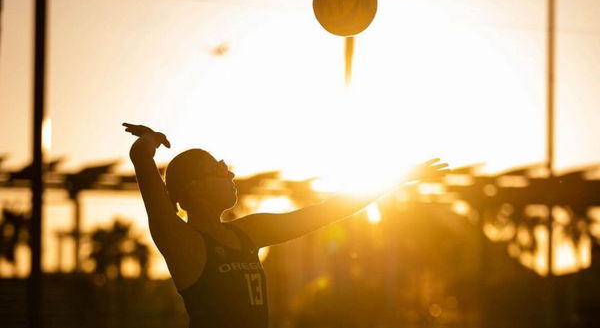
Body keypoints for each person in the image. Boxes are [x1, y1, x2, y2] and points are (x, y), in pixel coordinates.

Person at [123, 122, 449, 328]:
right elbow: (141, 158)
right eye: (219, 169)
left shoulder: (247, 232)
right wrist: (150, 139)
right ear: (194, 187)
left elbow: (327, 212)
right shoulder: (183, 243)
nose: (230, 174)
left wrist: (398, 179)